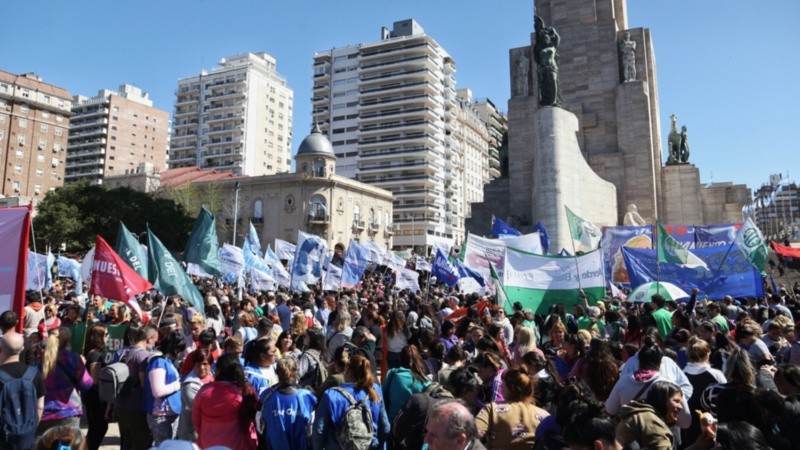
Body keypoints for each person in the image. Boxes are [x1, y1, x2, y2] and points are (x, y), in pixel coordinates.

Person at [312, 354, 390, 450]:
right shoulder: (375, 392)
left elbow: (319, 430)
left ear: (348, 371)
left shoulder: (331, 395)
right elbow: (385, 427)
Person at [192, 353, 259, 450]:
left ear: (218, 370)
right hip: (237, 445)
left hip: (208, 444)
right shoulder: (242, 393)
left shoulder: (203, 392)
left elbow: (196, 421)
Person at [475, 366, 550, 449]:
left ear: (512, 388)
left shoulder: (493, 409)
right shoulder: (545, 416)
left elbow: (473, 435)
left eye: (503, 383)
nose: (500, 386)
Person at [38, 327, 93, 435]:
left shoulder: (40, 359)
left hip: (44, 412)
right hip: (68, 412)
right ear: (68, 342)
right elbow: (86, 384)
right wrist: (82, 365)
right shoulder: (73, 358)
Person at [0, 332, 45, 450]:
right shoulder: (34, 374)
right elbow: (40, 406)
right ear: (22, 349)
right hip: (27, 438)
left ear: (0, 349)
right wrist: (30, 428)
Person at [261, 357, 318, 450]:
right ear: (296, 372)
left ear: (276, 372)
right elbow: (312, 426)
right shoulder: (307, 396)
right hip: (300, 445)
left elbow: (261, 426)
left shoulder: (266, 395)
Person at [115, 325, 157, 450]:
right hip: (136, 407)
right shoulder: (143, 355)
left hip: (121, 404)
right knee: (140, 443)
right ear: (149, 338)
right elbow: (144, 383)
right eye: (155, 340)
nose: (154, 344)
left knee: (126, 443)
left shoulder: (124, 351)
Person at [616, 381, 685, 450]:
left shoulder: (645, 414)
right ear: (662, 401)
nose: (680, 407)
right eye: (676, 401)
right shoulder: (650, 420)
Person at [143, 330, 183, 445]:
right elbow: (157, 391)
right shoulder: (158, 363)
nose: (180, 353)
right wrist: (177, 385)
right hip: (160, 416)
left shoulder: (166, 361)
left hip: (170, 414)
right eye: (179, 349)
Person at [382, 344, 431, 422]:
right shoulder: (424, 380)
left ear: (401, 358)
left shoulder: (392, 373)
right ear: (418, 359)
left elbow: (381, 393)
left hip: (393, 421)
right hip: (415, 423)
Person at [176, 348, 213, 442]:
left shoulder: (211, 376)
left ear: (210, 364)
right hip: (191, 434)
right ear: (193, 365)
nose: (202, 367)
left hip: (206, 430)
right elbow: (201, 409)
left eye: (205, 364)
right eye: (198, 364)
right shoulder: (189, 385)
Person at [81, 323, 109, 450]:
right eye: (106, 334)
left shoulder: (92, 353)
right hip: (95, 398)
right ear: (99, 337)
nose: (108, 337)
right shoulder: (95, 355)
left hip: (91, 396)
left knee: (94, 429)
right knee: (99, 428)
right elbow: (95, 380)